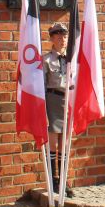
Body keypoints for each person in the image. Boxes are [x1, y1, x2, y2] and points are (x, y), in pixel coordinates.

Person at [43, 22, 73, 196]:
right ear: (52, 38)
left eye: (64, 36)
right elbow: (41, 85)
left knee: (65, 141)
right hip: (52, 99)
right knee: (53, 141)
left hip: (67, 99)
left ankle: (63, 179)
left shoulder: (71, 58)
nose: (62, 39)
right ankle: (53, 179)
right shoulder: (46, 60)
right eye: (58, 36)